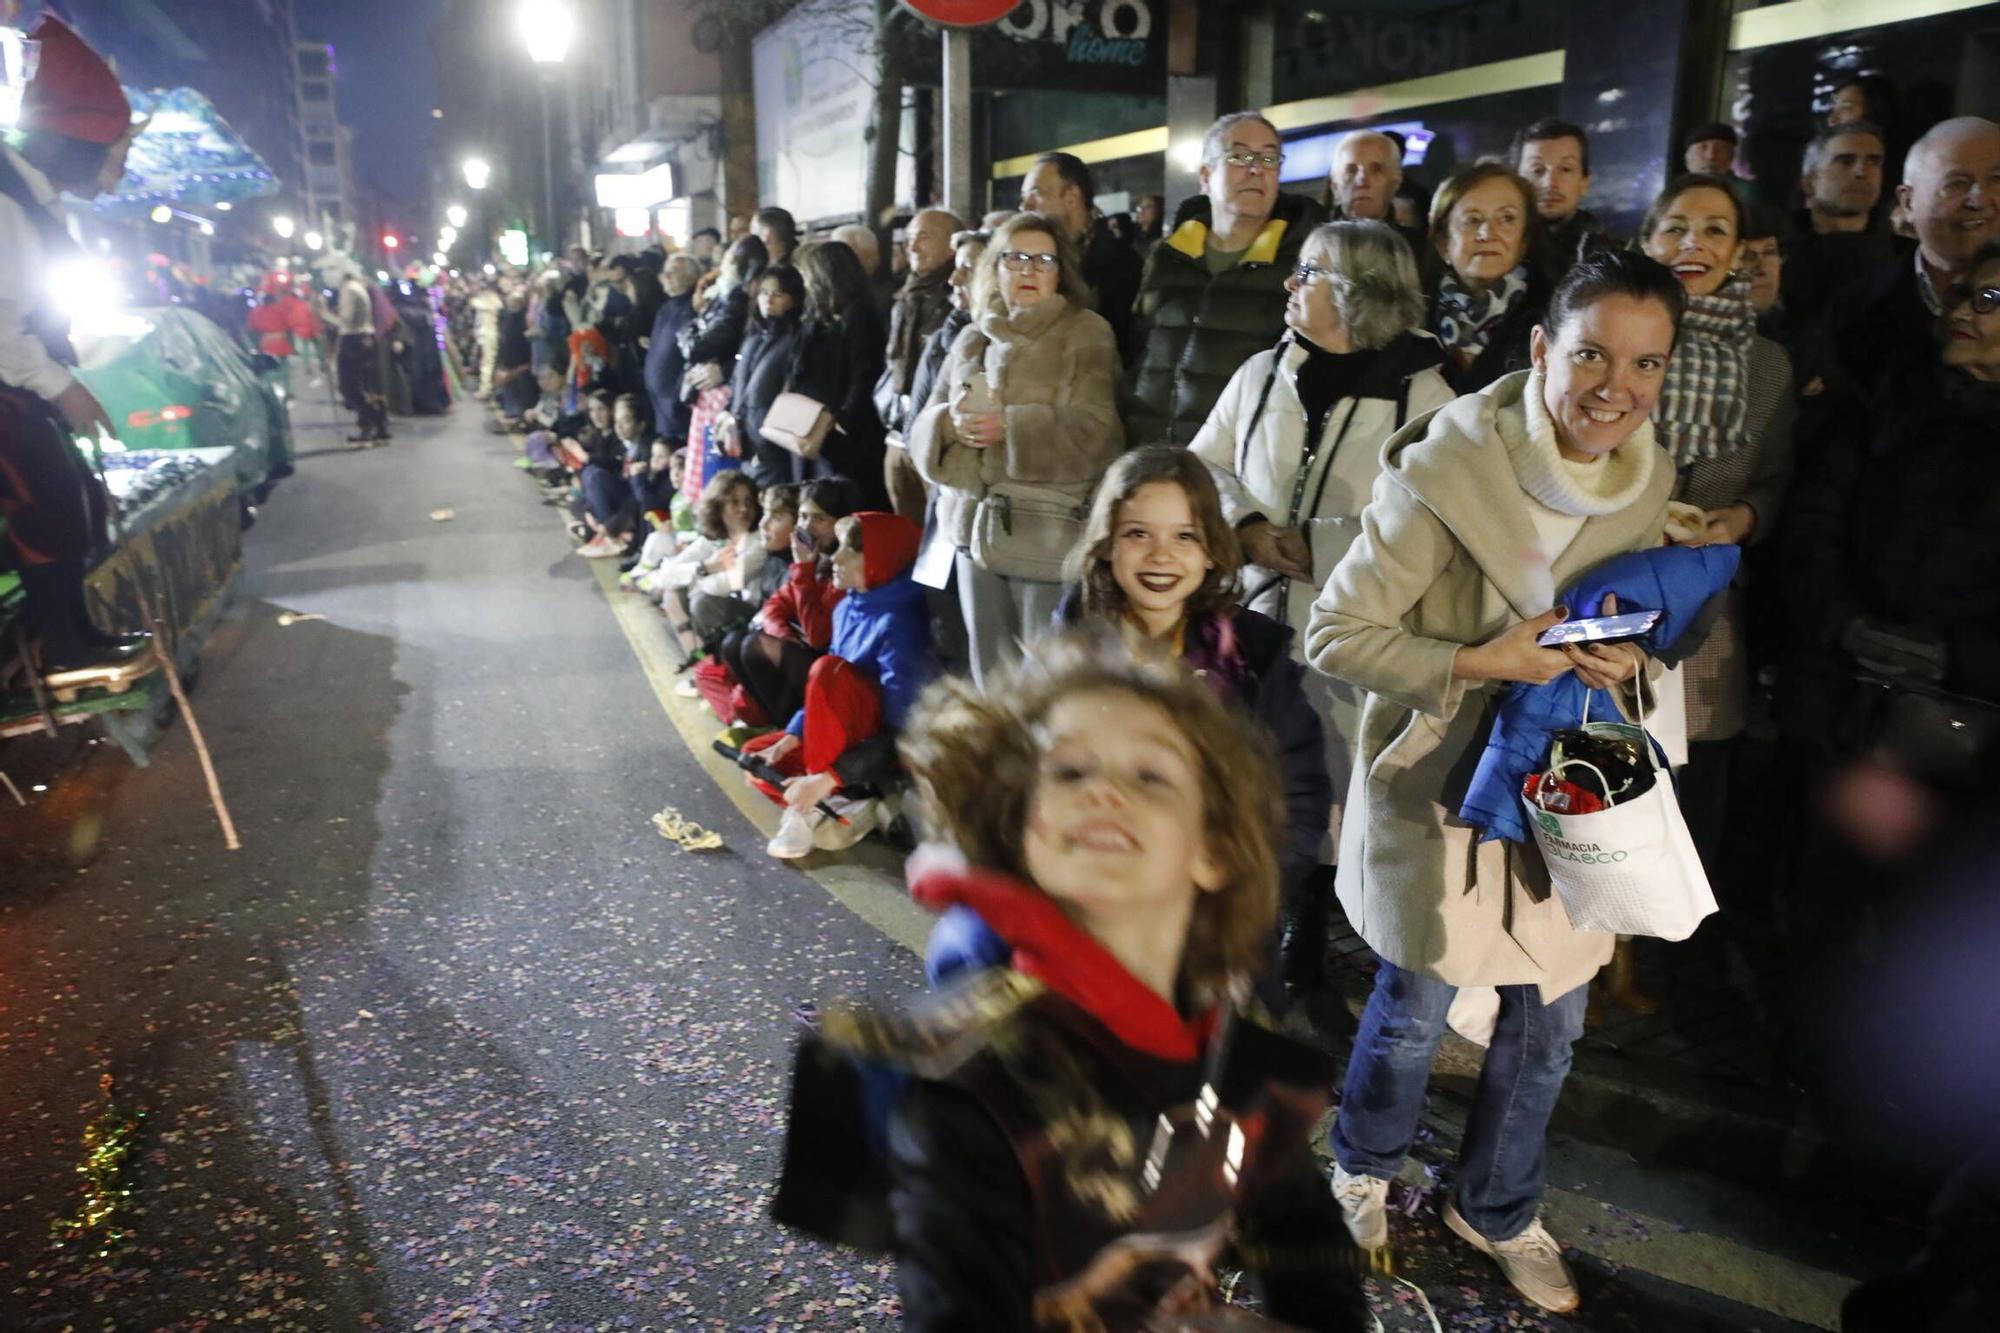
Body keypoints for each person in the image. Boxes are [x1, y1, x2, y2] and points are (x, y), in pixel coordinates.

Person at [770, 633, 1369, 1330]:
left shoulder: (1236, 1055)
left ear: (1213, 848)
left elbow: (1308, 1252)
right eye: (1068, 772)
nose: (1105, 789)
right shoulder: (967, 1079)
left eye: (1151, 775)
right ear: (1024, 828)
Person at [1306, 251, 1685, 1315]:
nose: (1617, 387)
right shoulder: (1444, 469)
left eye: (1645, 362)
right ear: (1537, 351)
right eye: (1591, 355)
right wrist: (1480, 660)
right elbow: (1335, 630)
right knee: (1413, 1004)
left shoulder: (1647, 471)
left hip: (1564, 785)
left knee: (1553, 1019)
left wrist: (1627, 658)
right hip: (1439, 786)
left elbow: (1635, 615)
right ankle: (1362, 1165)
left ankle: (1496, 1204)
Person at [1190, 219, 1455, 984]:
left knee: (1323, 791)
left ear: (1357, 293)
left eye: (1306, 273)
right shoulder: (1261, 372)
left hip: (1347, 634)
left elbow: (1430, 521)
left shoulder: (1425, 394)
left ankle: (1303, 946)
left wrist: (1322, 548)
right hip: (1249, 620)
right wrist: (1247, 526)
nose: (1289, 285)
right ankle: (1236, 937)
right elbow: (1206, 464)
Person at [1637, 174, 1796, 880]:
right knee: (1595, 775)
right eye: (1674, 226)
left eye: (1714, 230)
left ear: (1739, 252)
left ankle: (1640, 957)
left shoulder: (1767, 364)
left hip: (1706, 608)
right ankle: (1584, 963)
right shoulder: (1609, 332)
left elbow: (1777, 475)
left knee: (1686, 793)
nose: (1692, 244)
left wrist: (1746, 514)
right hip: (1599, 595)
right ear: (1646, 242)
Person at [909, 211, 1123, 685]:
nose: (1028, 270)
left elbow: (1098, 433)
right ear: (995, 268)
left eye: (1043, 260)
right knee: (990, 683)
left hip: (1046, 537)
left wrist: (1008, 427)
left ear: (1060, 271)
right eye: (1015, 258)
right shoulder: (971, 336)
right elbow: (926, 421)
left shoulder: (1085, 332)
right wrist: (950, 424)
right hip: (970, 535)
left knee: (1046, 687)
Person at [0, 14, 151, 677]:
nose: (115, 178)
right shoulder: (7, 203)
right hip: (9, 385)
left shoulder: (35, 202)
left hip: (20, 378)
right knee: (48, 501)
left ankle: (73, 638)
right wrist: (60, 387)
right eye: (115, 157)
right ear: (77, 146)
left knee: (72, 496)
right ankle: (60, 652)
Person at [1128, 111, 1325, 447]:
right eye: (1239, 156)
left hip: (1235, 462)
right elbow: (1139, 349)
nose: (1255, 169)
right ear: (1205, 175)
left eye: (1269, 158)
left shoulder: (1302, 268)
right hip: (1149, 451)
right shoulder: (1167, 256)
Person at [740, 511, 929, 857]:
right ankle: (848, 806)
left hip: (877, 751)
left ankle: (811, 805)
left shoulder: (900, 624)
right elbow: (823, 700)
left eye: (851, 551)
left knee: (828, 669)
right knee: (754, 757)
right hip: (842, 740)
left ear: (881, 561)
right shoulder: (848, 607)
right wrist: (792, 736)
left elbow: (903, 729)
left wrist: (829, 776)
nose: (836, 558)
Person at [1832, 117, 2000, 392]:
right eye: (1957, 183)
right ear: (1908, 202)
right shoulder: (1853, 309)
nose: (1979, 200)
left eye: (1997, 179)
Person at [705, 477, 863, 735]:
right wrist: (785, 635)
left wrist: (803, 568)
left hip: (840, 672)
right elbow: (776, 604)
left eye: (819, 519)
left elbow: (818, 635)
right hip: (811, 655)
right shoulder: (818, 560)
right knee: (735, 642)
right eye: (802, 517)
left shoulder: (846, 566)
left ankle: (801, 734)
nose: (807, 528)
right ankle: (780, 728)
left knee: (753, 646)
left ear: (843, 523)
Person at [1425, 162, 1551, 393]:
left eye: (1507, 219)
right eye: (1472, 220)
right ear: (1443, 243)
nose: (1487, 234)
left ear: (1524, 240)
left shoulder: (1556, 317)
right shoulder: (1412, 316)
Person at [792, 240, 891, 510]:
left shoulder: (859, 317)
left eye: (809, 276)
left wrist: (839, 422)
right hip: (819, 433)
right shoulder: (820, 319)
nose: (806, 284)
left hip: (847, 439)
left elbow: (865, 375)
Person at [878, 207, 963, 521]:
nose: (912, 247)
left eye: (923, 238)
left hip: (937, 437)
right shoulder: (905, 296)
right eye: (909, 239)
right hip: (898, 431)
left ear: (952, 244)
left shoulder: (958, 299)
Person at [1020, 151, 1143, 359]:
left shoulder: (1120, 264)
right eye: (1023, 198)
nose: (1024, 206)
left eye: (1036, 194)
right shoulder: (1027, 261)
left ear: (1071, 197)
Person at [678, 233, 768, 499]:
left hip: (722, 399)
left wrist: (689, 336)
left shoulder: (735, 300)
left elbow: (699, 347)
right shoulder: (721, 296)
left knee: (718, 474)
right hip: (712, 395)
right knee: (710, 470)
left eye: (729, 258)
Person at [1782, 122, 1895, 329]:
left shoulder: (1904, 258)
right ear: (1810, 182)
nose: (1862, 172)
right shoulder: (1777, 252)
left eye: (1874, 162)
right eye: (1845, 161)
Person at [718, 263, 811, 492]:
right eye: (764, 293)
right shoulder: (754, 336)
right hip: (746, 446)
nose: (768, 300)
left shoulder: (798, 340)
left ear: (795, 299)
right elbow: (738, 383)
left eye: (778, 294)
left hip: (776, 449)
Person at [1513, 117, 1613, 266]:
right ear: (1515, 181)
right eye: (1537, 170)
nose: (1550, 183)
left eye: (1566, 169)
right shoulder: (1498, 249)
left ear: (1584, 182)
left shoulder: (1610, 259)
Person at [643, 254, 701, 446]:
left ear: (692, 276)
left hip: (678, 407)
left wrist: (679, 395)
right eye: (664, 272)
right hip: (659, 408)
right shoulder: (665, 308)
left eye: (673, 271)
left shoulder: (693, 307)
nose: (666, 276)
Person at [335, 268, 391, 444]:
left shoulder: (349, 289)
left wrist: (324, 315)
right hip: (363, 338)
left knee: (351, 386)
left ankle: (370, 424)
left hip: (353, 339)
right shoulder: (358, 287)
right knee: (365, 385)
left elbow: (348, 319)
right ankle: (378, 426)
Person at [470, 280, 503, 396]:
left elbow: (474, 303)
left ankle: (486, 389)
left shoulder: (491, 302)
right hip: (486, 334)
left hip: (489, 335)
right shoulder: (490, 301)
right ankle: (487, 388)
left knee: (487, 363)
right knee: (487, 362)